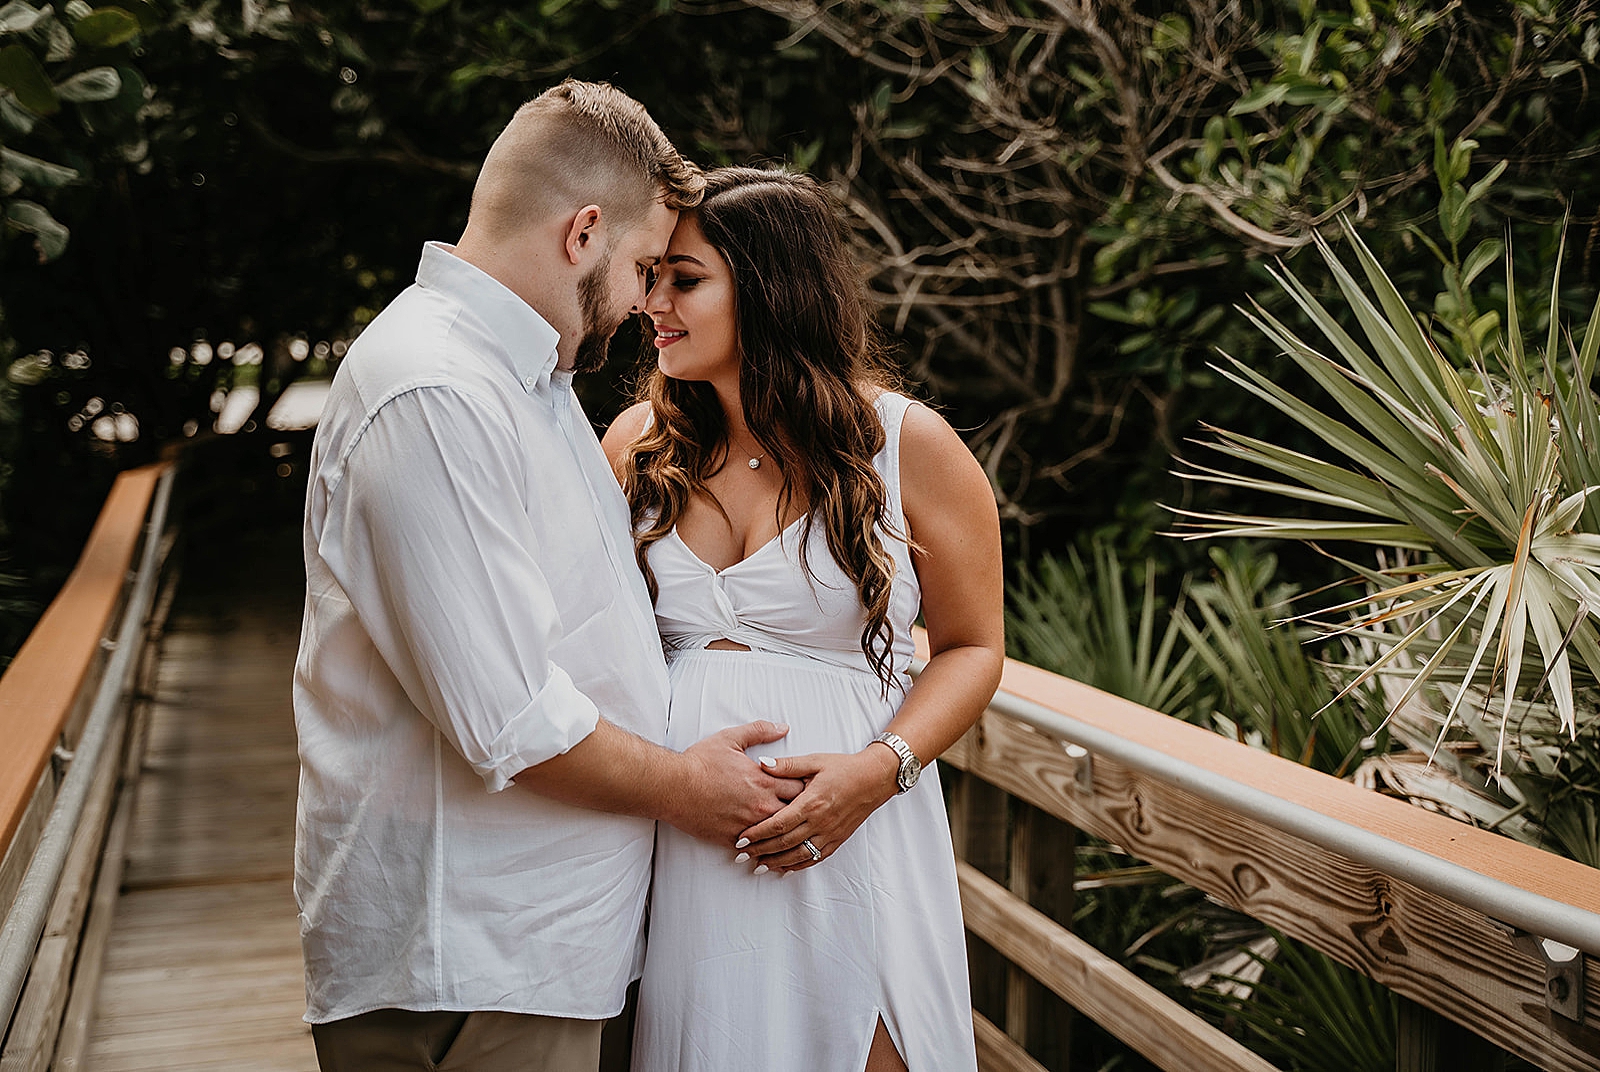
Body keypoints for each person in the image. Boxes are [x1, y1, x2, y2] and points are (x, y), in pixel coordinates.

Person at [293, 84, 802, 1072]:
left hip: (528, 954)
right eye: (644, 267)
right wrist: (688, 789)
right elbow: (506, 716)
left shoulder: (527, 381)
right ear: (582, 233)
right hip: (468, 960)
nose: (648, 301)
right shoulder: (434, 390)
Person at [602, 166, 1005, 1072]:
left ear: (771, 290)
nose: (651, 301)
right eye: (651, 275)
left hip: (852, 831)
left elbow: (975, 647)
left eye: (685, 280)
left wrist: (876, 771)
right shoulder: (636, 446)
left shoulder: (905, 444)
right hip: (691, 844)